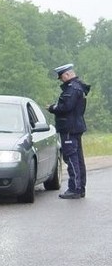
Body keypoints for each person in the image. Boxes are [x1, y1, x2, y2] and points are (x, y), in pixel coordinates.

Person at [48, 63, 90, 199]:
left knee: (71, 158)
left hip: (69, 129)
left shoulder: (72, 89)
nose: (61, 80)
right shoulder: (79, 87)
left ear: (67, 74)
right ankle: (80, 187)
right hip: (76, 126)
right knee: (78, 158)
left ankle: (75, 188)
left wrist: (52, 108)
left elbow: (66, 107)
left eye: (61, 78)